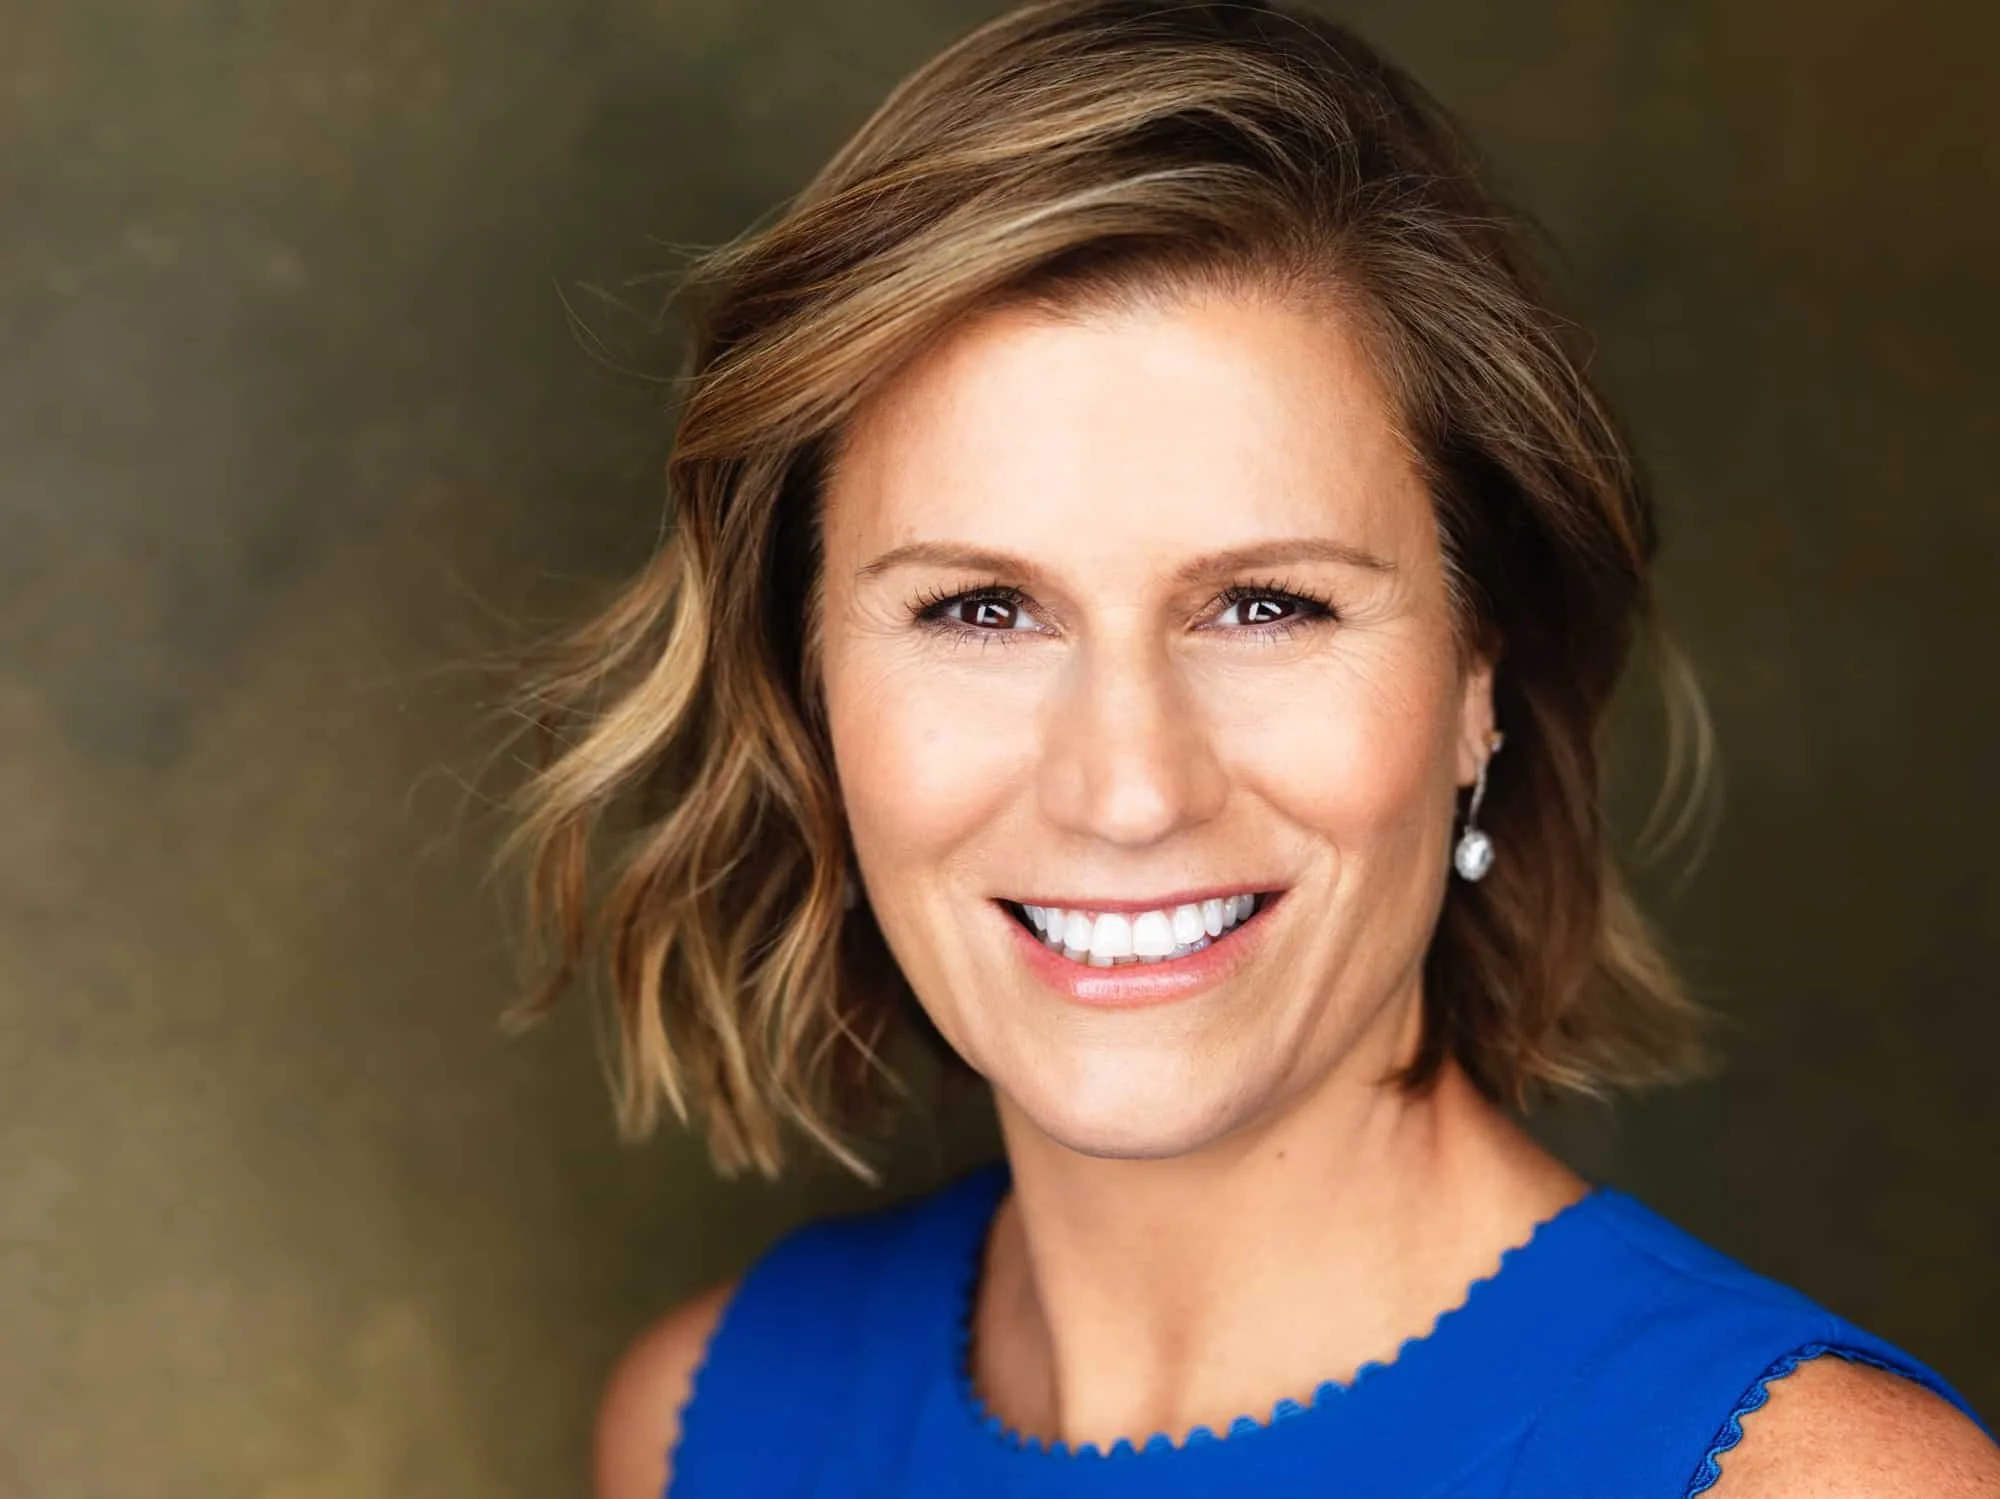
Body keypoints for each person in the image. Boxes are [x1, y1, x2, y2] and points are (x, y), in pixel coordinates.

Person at [505, 2, 1999, 1494]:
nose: (1132, 785)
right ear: (812, 686)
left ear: (1483, 669)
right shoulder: (704, 1423)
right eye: (980, 608)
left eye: (1266, 605)